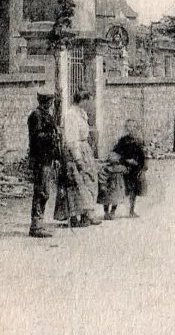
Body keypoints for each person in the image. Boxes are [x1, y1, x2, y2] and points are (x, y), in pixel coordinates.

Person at [59, 89, 103, 226]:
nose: (91, 104)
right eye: (88, 101)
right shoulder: (71, 114)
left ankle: (86, 215)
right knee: (76, 183)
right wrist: (77, 158)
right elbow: (72, 139)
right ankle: (75, 217)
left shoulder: (82, 113)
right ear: (82, 101)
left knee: (88, 181)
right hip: (75, 151)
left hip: (85, 150)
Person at [27, 92, 61, 238]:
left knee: (45, 192)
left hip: (47, 158)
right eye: (50, 101)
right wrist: (52, 136)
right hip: (40, 159)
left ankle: (39, 224)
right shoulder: (36, 115)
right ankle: (36, 226)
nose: (52, 104)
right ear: (45, 101)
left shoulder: (46, 115)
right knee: (41, 191)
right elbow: (37, 137)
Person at [103, 118, 148, 218]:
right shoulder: (123, 141)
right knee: (115, 183)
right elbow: (116, 154)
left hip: (135, 168)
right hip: (124, 166)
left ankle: (131, 210)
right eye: (129, 127)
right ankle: (111, 211)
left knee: (135, 187)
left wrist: (142, 167)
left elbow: (143, 156)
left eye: (133, 127)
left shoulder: (139, 141)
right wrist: (126, 160)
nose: (131, 129)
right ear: (126, 128)